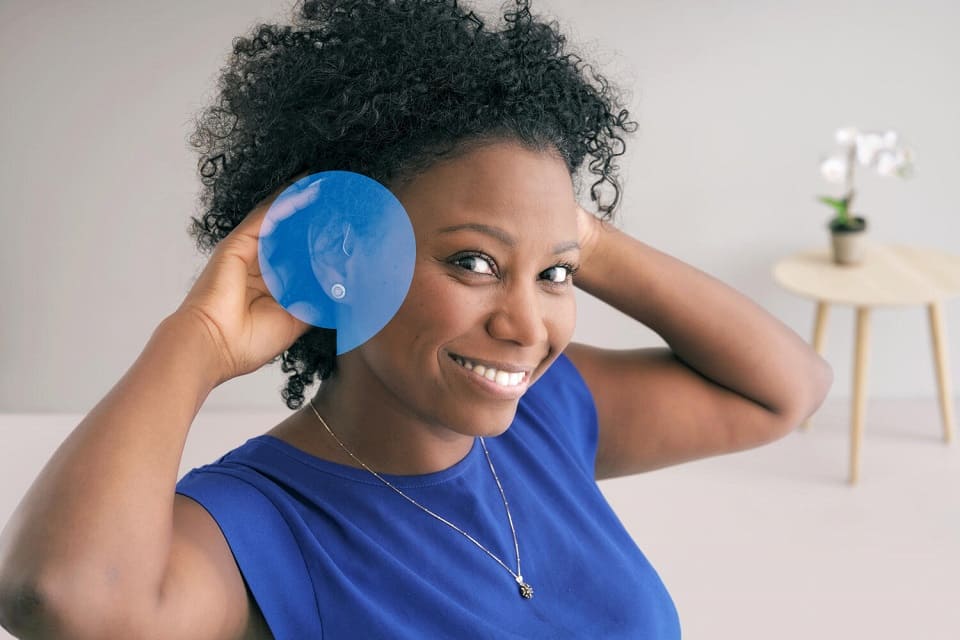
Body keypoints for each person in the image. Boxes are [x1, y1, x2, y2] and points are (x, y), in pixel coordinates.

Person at [0, 0, 832, 638]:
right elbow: (61, 601)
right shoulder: (263, 526)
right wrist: (199, 340)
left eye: (556, 276)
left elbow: (787, 390)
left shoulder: (545, 414)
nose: (527, 326)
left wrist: (566, 226)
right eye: (473, 262)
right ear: (343, 259)